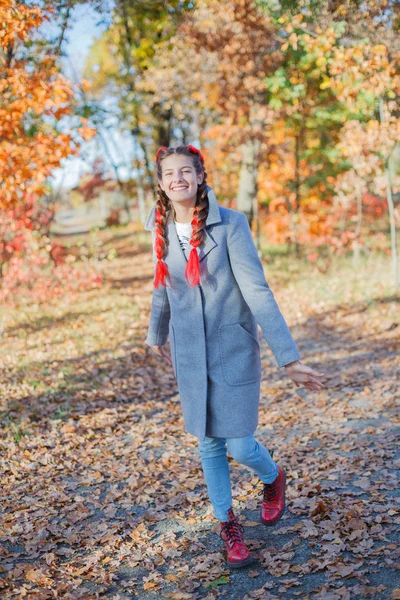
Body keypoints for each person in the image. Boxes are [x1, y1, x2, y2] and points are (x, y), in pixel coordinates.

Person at [144, 144, 325, 569]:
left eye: (186, 171)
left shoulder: (231, 225)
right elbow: (161, 284)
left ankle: (272, 476)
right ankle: (228, 525)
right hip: (190, 353)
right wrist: (156, 334)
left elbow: (258, 291)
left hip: (233, 348)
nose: (178, 179)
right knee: (209, 443)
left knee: (241, 445)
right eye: (170, 174)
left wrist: (290, 359)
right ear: (161, 182)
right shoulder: (159, 226)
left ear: (201, 176)